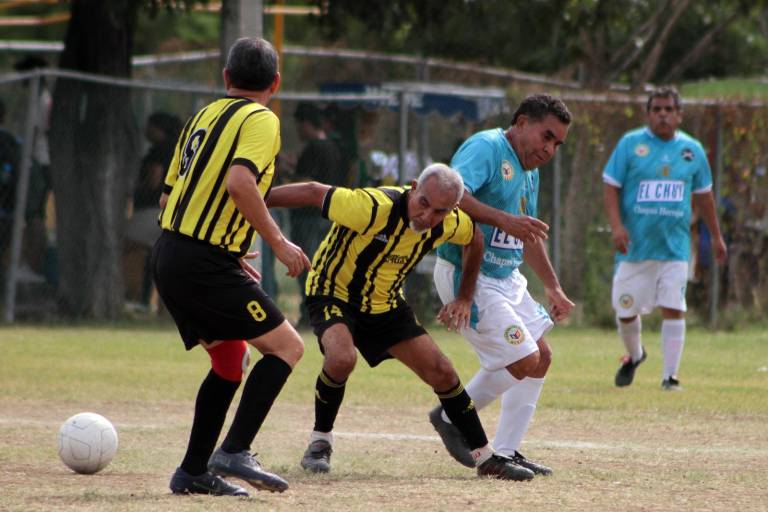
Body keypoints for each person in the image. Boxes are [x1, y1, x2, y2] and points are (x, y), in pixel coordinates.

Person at [267, 163, 537, 482]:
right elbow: (313, 191)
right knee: (341, 359)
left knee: (443, 371)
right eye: (424, 203)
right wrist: (255, 198)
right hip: (332, 293)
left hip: (385, 305)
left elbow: (474, 238)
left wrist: (464, 296)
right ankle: (319, 442)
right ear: (413, 187)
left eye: (440, 211)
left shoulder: (449, 222)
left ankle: (486, 458)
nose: (428, 216)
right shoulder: (371, 207)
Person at [151, 37, 311, 497]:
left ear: (226, 79)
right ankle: (234, 450)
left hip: (173, 252)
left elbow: (168, 198)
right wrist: (277, 242)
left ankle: (193, 472)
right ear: (275, 84)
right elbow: (240, 182)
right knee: (286, 348)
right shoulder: (262, 119)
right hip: (202, 262)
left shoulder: (200, 118)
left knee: (229, 359)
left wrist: (223, 243)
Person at [428, 93, 574, 477]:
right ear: (522, 122)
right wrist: (503, 220)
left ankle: (506, 452)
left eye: (557, 143)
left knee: (541, 357)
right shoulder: (487, 147)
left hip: (507, 278)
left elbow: (527, 234)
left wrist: (554, 288)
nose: (550, 148)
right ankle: (451, 415)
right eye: (547, 136)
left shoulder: (531, 170)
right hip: (469, 275)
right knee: (523, 358)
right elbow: (453, 197)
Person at [603, 86, 727, 391]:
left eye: (669, 109)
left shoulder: (692, 150)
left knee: (674, 305)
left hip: (675, 247)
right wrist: (617, 226)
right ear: (648, 114)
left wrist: (716, 236)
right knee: (625, 309)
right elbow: (610, 185)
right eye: (657, 109)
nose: (663, 114)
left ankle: (670, 377)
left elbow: (705, 196)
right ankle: (635, 355)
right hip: (635, 247)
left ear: (679, 115)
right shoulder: (631, 144)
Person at [290, 102, 342, 326]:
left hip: (308, 217)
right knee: (325, 267)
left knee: (306, 266)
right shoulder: (333, 147)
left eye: (299, 126)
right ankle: (326, 310)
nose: (298, 131)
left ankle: (310, 313)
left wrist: (285, 184)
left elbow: (305, 183)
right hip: (329, 216)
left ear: (306, 124)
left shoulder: (313, 148)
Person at [124, 111, 182, 308]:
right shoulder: (180, 148)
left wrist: (137, 187)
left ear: (158, 128)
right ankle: (153, 303)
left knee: (128, 243)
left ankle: (132, 296)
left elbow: (154, 178)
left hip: (153, 209)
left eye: (149, 126)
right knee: (158, 256)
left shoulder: (160, 150)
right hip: (176, 213)